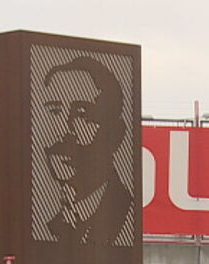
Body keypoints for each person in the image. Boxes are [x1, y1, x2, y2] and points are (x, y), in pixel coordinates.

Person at [33, 55, 134, 247]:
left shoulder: (124, 216)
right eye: (54, 111)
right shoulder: (49, 220)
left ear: (115, 133)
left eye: (82, 114)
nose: (63, 131)